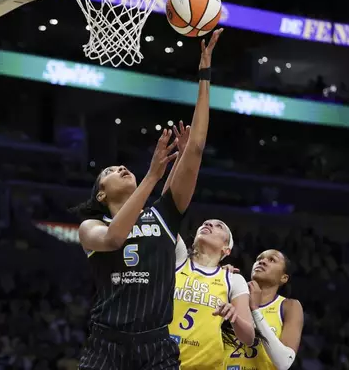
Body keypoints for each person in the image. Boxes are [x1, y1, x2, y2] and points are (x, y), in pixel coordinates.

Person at [72, 28, 223, 370]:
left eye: (123, 165)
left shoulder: (163, 216)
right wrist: (153, 175)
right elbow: (114, 238)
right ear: (101, 192)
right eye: (112, 170)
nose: (122, 167)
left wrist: (204, 75)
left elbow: (196, 148)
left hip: (156, 346)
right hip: (106, 345)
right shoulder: (91, 227)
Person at [169, 217, 255, 369]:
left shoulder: (232, 279)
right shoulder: (179, 258)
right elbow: (164, 218)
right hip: (162, 359)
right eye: (205, 223)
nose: (208, 224)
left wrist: (234, 317)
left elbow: (249, 338)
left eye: (219, 226)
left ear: (226, 249)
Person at [223, 249, 304, 370]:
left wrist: (255, 311)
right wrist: (217, 280)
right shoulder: (231, 297)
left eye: (272, 260)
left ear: (284, 278)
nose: (262, 261)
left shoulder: (289, 306)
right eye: (259, 259)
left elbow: (284, 363)